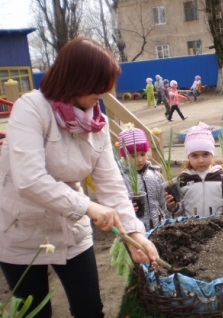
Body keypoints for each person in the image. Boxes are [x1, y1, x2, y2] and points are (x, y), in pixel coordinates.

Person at [0, 37, 159, 318]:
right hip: (19, 228)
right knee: (33, 312)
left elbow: (110, 183)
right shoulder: (32, 108)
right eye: (97, 89)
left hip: (70, 228)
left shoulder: (96, 122)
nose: (103, 96)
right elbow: (29, 179)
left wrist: (135, 234)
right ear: (76, 80)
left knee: (89, 309)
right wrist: (88, 206)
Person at [165, 122, 223, 217]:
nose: (201, 160)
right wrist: (172, 206)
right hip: (192, 228)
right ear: (188, 157)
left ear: (212, 154)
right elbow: (177, 213)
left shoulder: (222, 177)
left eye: (205, 154)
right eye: (194, 155)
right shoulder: (182, 179)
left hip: (220, 226)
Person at [117, 124, 166, 230]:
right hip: (134, 231)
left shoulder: (156, 175)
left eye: (143, 154)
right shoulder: (120, 179)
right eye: (133, 156)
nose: (139, 160)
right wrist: (127, 210)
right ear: (124, 156)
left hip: (159, 227)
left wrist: (171, 208)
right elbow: (116, 207)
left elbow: (163, 203)